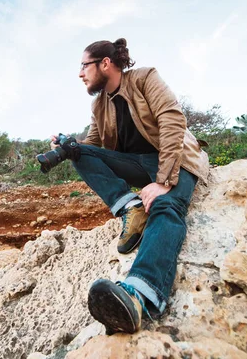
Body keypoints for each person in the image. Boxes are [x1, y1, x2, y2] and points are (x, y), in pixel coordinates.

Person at [50, 38, 209, 334]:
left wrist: (163, 181)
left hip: (175, 159)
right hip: (137, 164)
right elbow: (93, 146)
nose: (80, 73)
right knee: (76, 150)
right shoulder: (99, 103)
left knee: (165, 207)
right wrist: (68, 146)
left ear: (105, 64)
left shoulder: (145, 77)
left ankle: (139, 296)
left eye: (84, 65)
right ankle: (131, 208)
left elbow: (173, 119)